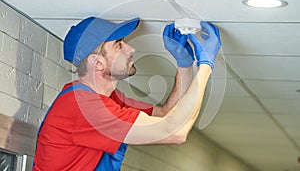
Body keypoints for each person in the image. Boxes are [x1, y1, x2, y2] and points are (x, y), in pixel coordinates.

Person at [33, 16, 221, 171]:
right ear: (97, 62)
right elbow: (175, 132)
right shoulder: (83, 107)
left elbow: (167, 115)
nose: (131, 48)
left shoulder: (108, 101)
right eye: (119, 45)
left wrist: (185, 64)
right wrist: (205, 67)